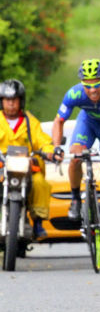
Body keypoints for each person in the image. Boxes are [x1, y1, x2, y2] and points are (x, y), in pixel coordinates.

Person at [51, 59, 100, 255]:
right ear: (83, 85)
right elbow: (59, 121)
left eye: (97, 84)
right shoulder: (74, 93)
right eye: (88, 85)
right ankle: (75, 199)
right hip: (88, 125)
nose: (92, 90)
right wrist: (57, 147)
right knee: (75, 157)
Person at [0, 79, 62, 237]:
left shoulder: (30, 122)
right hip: (2, 167)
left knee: (40, 182)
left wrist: (50, 151)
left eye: (14, 100)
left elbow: (42, 140)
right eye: (7, 100)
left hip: (25, 167)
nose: (11, 104)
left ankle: (38, 223)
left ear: (21, 101)